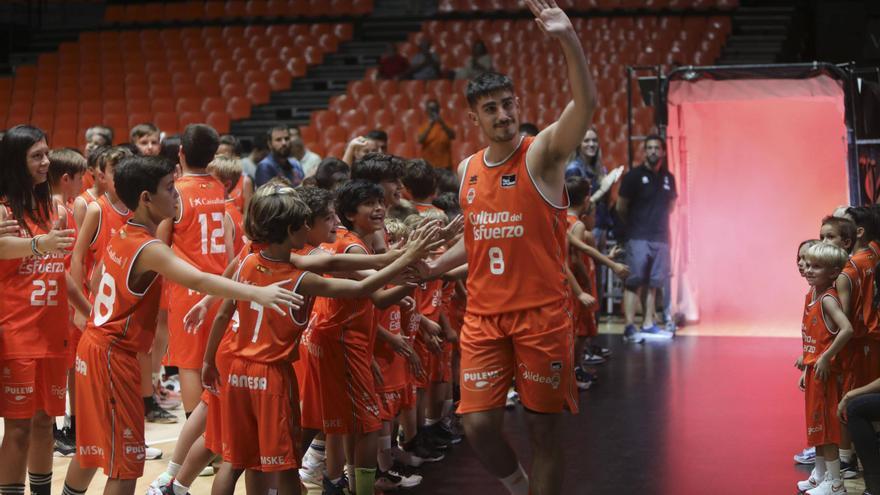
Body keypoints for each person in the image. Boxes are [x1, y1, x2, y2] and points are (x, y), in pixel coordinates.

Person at [420, 2, 598, 493]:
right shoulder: (467, 170)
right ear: (473, 115)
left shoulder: (541, 154)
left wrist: (568, 40)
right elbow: (477, 241)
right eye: (492, 108)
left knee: (543, 432)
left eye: (508, 104)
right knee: (477, 425)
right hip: (483, 319)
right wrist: (431, 266)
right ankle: (520, 487)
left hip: (541, 316)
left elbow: (584, 106)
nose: (504, 114)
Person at [59, 155, 299, 495]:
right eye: (170, 189)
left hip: (96, 347)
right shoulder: (149, 247)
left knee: (91, 450)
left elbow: (99, 278)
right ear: (145, 198)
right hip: (113, 356)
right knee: (125, 467)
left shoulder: (124, 230)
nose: (177, 197)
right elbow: (200, 280)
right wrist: (256, 293)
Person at [0, 125, 91, 495]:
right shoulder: (3, 209)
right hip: (17, 333)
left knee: (45, 423)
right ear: (15, 162)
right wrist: (41, 243)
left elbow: (61, 274)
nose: (46, 162)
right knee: (18, 428)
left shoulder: (55, 208)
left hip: (53, 332)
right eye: (36, 156)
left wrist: (89, 312)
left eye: (46, 153)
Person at [795, 242, 853, 495]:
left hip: (826, 375)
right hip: (814, 372)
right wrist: (807, 364)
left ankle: (836, 482)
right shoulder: (812, 295)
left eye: (816, 266)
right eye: (807, 264)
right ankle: (820, 475)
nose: (808, 270)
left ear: (832, 273)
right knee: (815, 428)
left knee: (827, 429)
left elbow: (847, 329)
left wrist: (826, 357)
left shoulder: (828, 299)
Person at [616, 134, 677, 342]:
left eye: (656, 148)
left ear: (663, 151)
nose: (653, 151)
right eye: (649, 148)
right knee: (634, 281)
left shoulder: (669, 178)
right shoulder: (633, 176)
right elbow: (621, 207)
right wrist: (633, 227)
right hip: (638, 236)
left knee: (654, 282)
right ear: (645, 151)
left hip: (660, 237)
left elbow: (671, 207)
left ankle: (649, 323)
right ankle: (629, 326)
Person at [417, 100, 455, 170]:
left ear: (439, 110)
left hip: (445, 165)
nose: (433, 112)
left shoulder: (446, 124)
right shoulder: (424, 126)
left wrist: (442, 123)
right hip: (428, 165)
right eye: (431, 109)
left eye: (435, 109)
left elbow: (452, 136)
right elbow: (420, 140)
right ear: (427, 111)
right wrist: (430, 126)